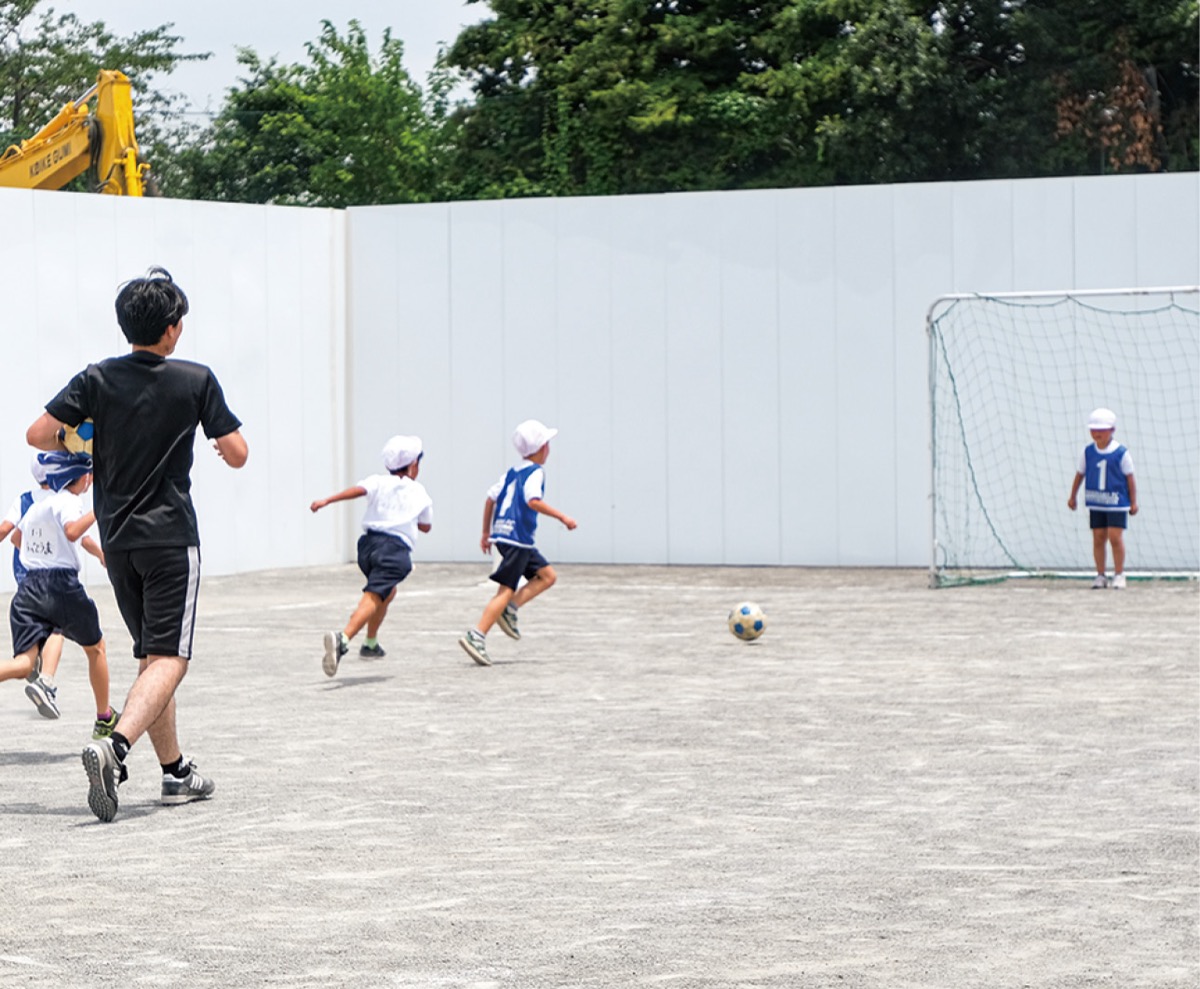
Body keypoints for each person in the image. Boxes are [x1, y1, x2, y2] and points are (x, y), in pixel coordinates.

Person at [26, 266, 248, 823]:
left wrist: (81, 434)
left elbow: (38, 434)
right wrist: (219, 444)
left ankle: (174, 772)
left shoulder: (98, 378)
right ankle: (115, 748)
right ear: (172, 329)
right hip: (171, 536)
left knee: (153, 658)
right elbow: (239, 451)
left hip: (119, 540)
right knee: (172, 658)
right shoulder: (195, 380)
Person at [0, 452, 116, 738]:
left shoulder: (33, 505)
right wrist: (101, 509)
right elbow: (74, 531)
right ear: (82, 477)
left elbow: (15, 535)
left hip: (28, 589)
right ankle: (104, 718)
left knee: (24, 664)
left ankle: (44, 680)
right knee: (96, 647)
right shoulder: (67, 501)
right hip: (60, 586)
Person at [310, 434, 433, 677]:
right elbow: (426, 526)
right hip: (394, 550)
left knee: (388, 591)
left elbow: (357, 490)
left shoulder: (378, 482)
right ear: (413, 465)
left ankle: (371, 643)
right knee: (375, 595)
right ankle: (342, 639)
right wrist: (405, 519)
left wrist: (327, 500)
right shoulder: (419, 492)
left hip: (368, 547)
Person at [458, 419, 577, 666]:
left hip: (507, 537)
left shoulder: (512, 473)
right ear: (542, 448)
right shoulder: (535, 472)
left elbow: (490, 499)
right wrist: (562, 517)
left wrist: (485, 532)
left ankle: (510, 609)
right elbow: (533, 500)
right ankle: (477, 635)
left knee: (547, 576)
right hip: (517, 539)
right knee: (505, 590)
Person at [0, 454, 67, 715]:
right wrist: (102, 555)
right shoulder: (62, 502)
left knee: (24, 663)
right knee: (58, 630)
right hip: (51, 582)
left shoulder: (24, 499)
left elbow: (7, 531)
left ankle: (38, 670)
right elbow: (80, 538)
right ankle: (46, 683)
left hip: (24, 583)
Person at [1067, 407, 1138, 589]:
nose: (1097, 434)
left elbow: (1130, 478)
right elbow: (1080, 473)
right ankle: (1100, 574)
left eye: (1102, 430)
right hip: (1097, 500)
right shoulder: (1088, 452)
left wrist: (1133, 501)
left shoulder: (1121, 453)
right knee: (1098, 537)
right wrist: (1073, 495)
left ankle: (1119, 574)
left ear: (1112, 430)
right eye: (1093, 430)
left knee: (1115, 537)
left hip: (1116, 502)